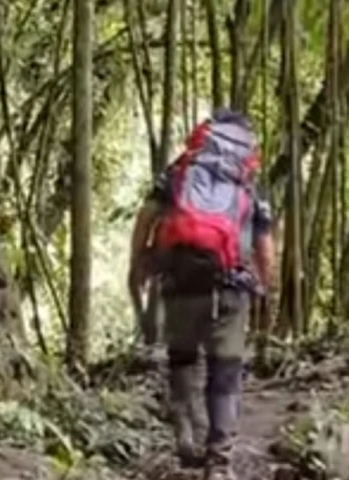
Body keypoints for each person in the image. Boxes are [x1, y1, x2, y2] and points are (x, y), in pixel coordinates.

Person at [127, 109, 275, 480]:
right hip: (230, 286)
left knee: (182, 360)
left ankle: (186, 437)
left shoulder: (179, 171)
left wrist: (138, 264)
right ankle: (218, 462)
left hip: (180, 281)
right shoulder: (248, 181)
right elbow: (265, 246)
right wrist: (264, 285)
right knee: (225, 372)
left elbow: (145, 217)